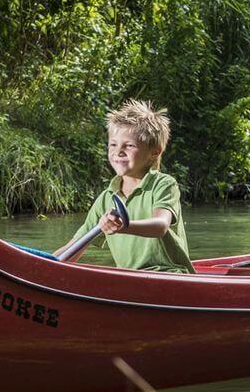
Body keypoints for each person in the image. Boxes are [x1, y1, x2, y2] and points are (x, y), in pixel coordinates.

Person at [56, 100, 195, 273]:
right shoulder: (107, 198)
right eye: (113, 144)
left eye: (129, 145)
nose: (118, 151)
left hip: (169, 275)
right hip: (131, 279)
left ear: (155, 152)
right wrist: (38, 266)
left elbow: (160, 226)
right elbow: (73, 249)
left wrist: (125, 226)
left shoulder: (163, 184)